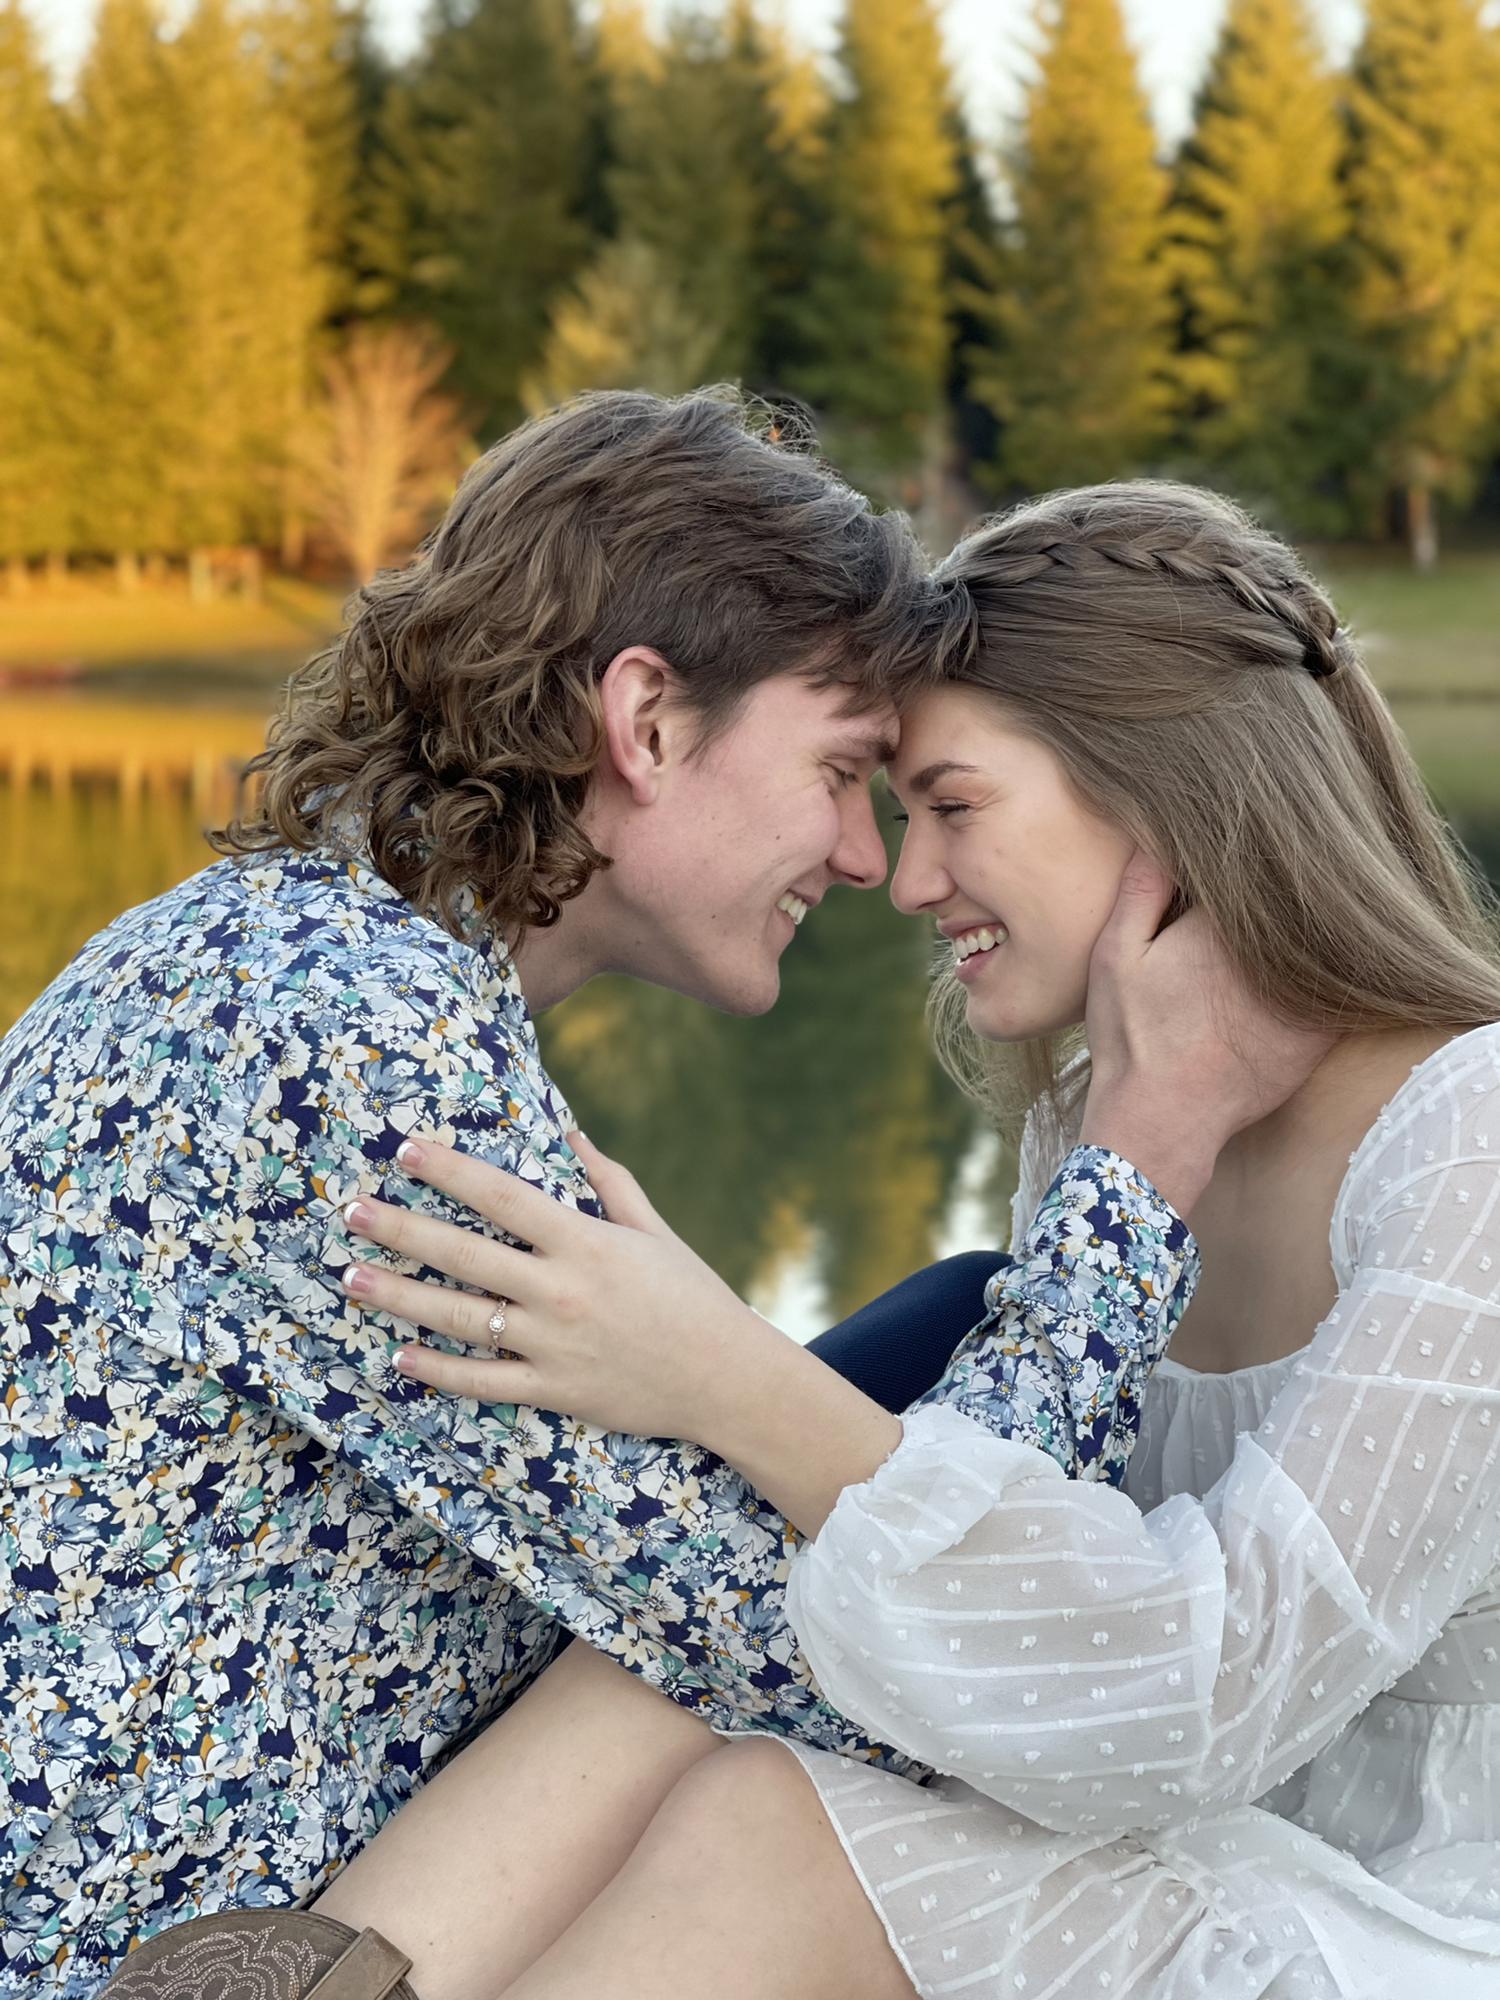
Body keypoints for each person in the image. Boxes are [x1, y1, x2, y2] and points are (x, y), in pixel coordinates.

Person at [0, 399, 1295, 1995]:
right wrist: (1140, 1173)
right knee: (901, 1504)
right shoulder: (343, 1047)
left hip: (291, 1830)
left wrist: (735, 1364)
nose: (866, 857)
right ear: (650, 722)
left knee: (936, 1330)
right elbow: (908, 1672)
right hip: (142, 1949)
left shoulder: (295, 952)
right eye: (840, 772)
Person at [320, 482, 1500, 1999]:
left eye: (952, 805)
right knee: (732, 1728)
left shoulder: (1470, 1138)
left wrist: (721, 1373)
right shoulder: (1098, 1130)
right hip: (1195, 1851)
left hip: (1425, 1918)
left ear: (1167, 799)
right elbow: (1004, 1632)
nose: (908, 878)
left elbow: (1204, 1700)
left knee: (779, 1829)